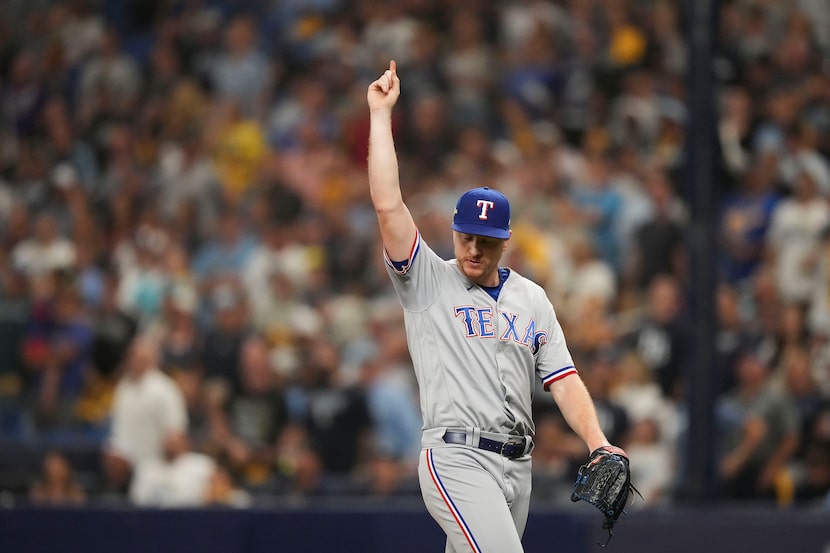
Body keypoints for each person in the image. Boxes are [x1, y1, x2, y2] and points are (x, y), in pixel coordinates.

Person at [367, 60, 628, 553]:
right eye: (466, 237)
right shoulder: (427, 280)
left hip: (518, 467)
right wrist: (380, 116)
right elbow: (387, 204)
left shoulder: (531, 298)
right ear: (453, 232)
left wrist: (597, 440)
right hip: (456, 458)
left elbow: (564, 379)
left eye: (486, 241)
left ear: (505, 241)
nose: (473, 249)